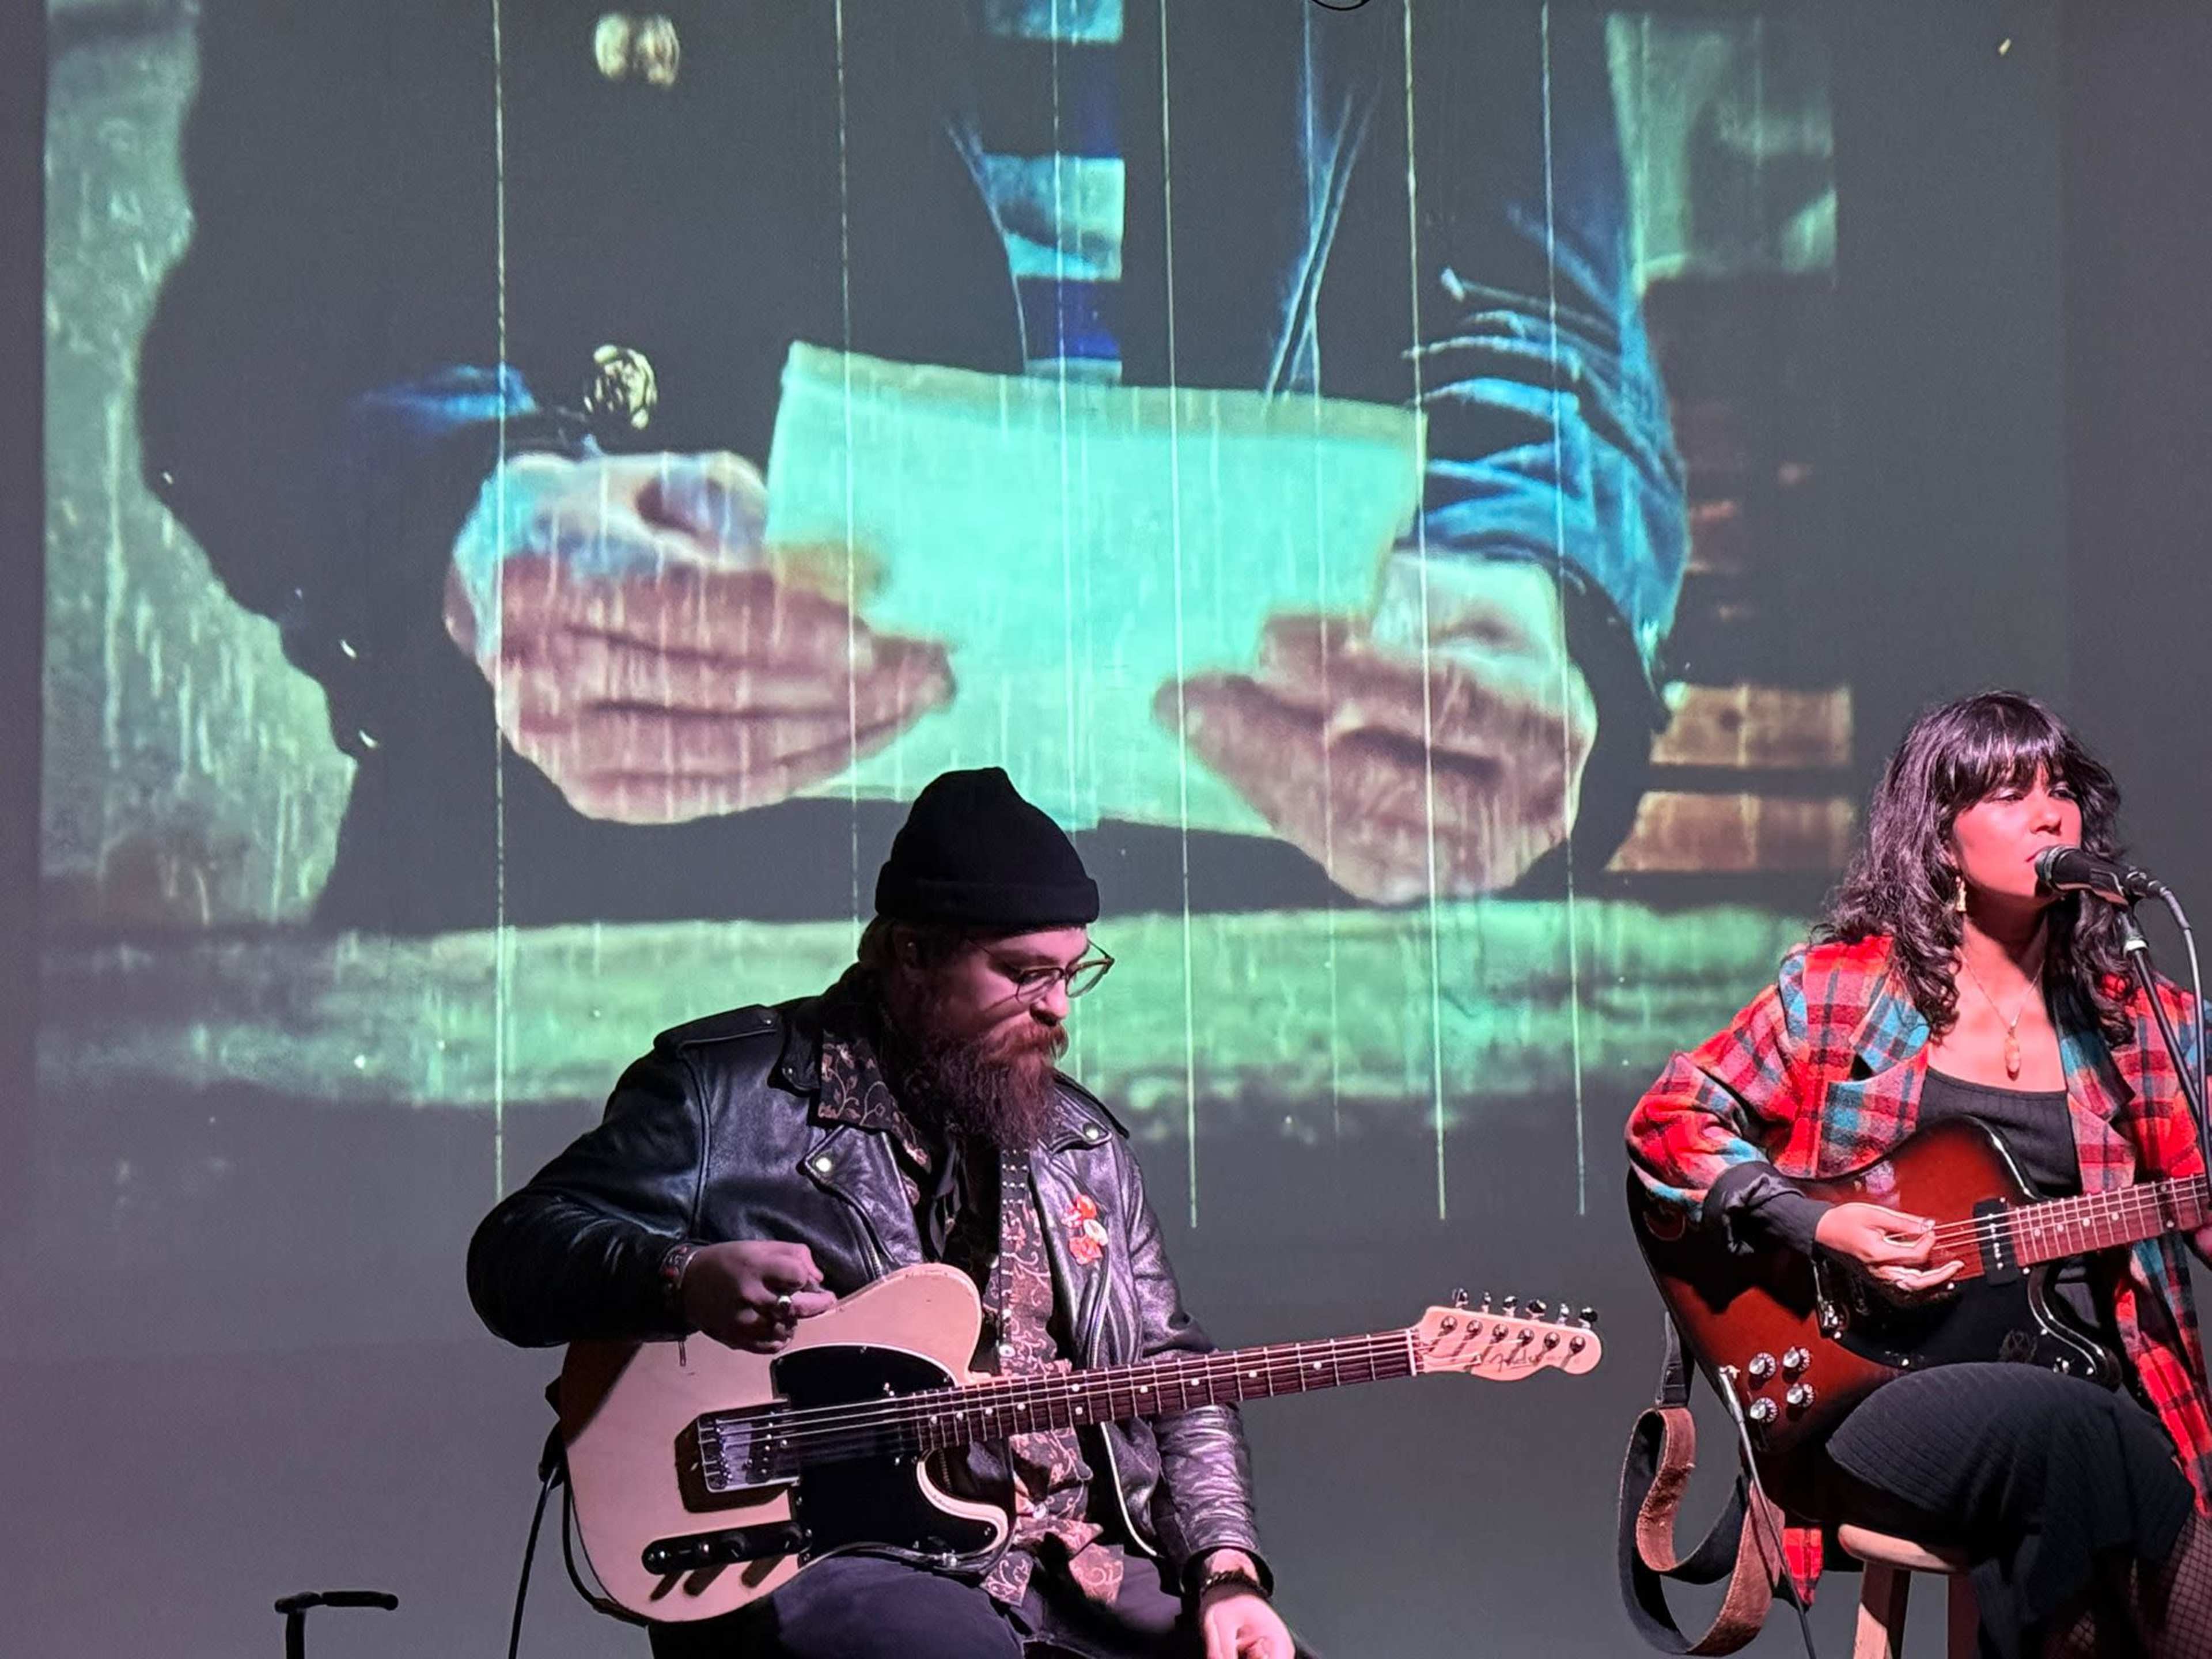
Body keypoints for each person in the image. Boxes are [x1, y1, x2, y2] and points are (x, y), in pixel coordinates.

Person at [138, 0, 1684, 931]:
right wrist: (469, 513)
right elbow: (270, 303)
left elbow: (1545, 315)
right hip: (593, 957)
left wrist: (1522, 594)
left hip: (1261, 975)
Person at [468, 767, 1303, 1659]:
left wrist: (1226, 1572)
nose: (1057, 1010)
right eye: (1023, 975)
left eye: (1071, 974)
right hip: (836, 1554)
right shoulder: (725, 1094)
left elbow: (1173, 1369)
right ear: (910, 953)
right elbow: (512, 1257)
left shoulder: (1080, 1144)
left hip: (1077, 1564)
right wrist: (681, 1278)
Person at [1627, 691, 2212, 1659]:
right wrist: (1819, 1226)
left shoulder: (2142, 1018)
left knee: (2098, 1440)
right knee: (2083, 1441)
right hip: (1869, 1389)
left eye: (2060, 788)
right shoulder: (1844, 993)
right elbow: (1669, 1119)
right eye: (2009, 791)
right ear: (1941, 838)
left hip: (2082, 1376)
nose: (2049, 813)